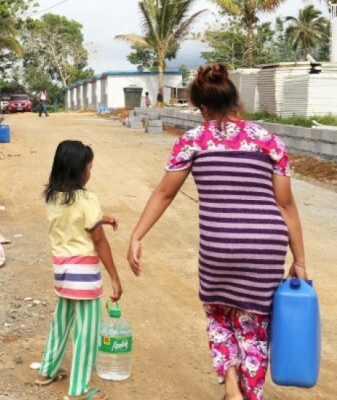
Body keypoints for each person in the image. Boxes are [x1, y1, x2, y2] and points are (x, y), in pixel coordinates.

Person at [127, 64, 307, 400]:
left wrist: (137, 236)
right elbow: (286, 206)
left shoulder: (193, 141)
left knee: (219, 316)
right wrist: (300, 260)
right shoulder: (268, 141)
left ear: (203, 109)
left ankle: (230, 388)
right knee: (253, 327)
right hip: (265, 250)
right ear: (235, 101)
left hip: (218, 248)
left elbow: (164, 194)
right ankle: (248, 394)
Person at [35, 140, 123, 400]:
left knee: (61, 323)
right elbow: (98, 240)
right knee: (86, 332)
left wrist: (102, 217)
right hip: (84, 277)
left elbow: (73, 220)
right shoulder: (87, 199)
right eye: (89, 167)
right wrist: (115, 278)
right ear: (79, 170)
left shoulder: (53, 196)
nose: (90, 172)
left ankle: (47, 370)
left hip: (62, 273)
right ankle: (79, 389)